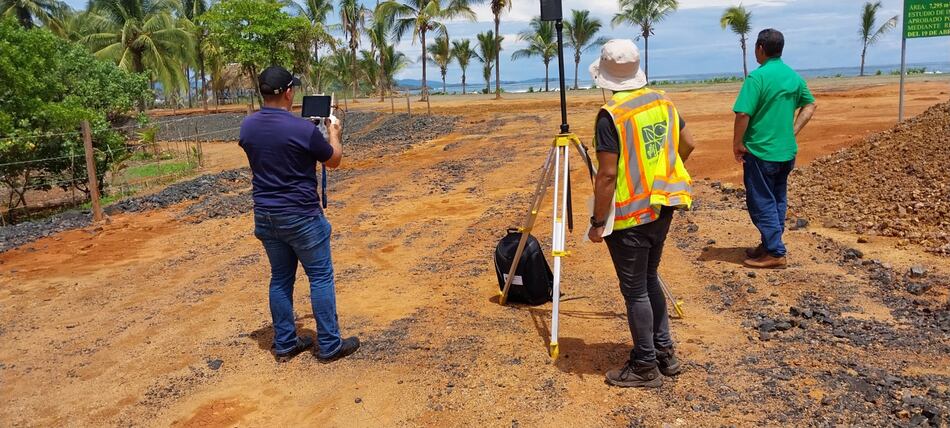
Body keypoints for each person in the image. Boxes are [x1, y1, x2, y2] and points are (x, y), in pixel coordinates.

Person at [587, 39, 697, 388]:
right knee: (649, 280)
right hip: (662, 205)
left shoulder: (612, 116)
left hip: (629, 217)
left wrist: (596, 222)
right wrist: (661, 174)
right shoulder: (663, 101)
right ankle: (664, 352)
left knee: (635, 290)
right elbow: (688, 144)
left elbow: (606, 175)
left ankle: (646, 365)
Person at [239, 65, 359, 363]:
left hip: (266, 214)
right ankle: (330, 345)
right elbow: (333, 160)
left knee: (280, 278)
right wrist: (333, 133)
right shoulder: (303, 129)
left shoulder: (248, 126)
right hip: (301, 215)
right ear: (290, 92)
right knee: (319, 277)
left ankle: (285, 343)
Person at [732, 29, 817, 269]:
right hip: (786, 152)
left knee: (761, 202)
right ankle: (769, 245)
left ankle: (776, 252)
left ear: (760, 48)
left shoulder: (757, 78)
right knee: (777, 198)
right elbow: (810, 105)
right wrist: (792, 132)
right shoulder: (792, 76)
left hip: (761, 152)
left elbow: (742, 113)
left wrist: (737, 143)